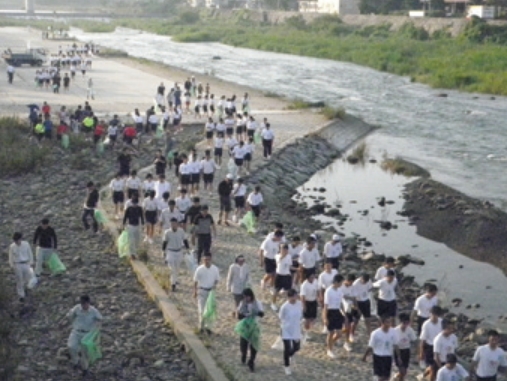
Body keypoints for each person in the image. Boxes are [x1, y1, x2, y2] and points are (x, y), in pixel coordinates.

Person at [66, 295, 102, 377]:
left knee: (84, 353)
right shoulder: (77, 308)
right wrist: (71, 321)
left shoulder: (93, 311)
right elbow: (69, 315)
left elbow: (100, 319)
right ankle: (75, 362)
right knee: (71, 346)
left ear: (88, 303)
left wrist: (96, 330)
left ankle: (85, 369)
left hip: (87, 334)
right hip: (76, 331)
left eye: (85, 303)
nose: (84, 305)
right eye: (82, 303)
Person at [363, 315, 401, 381]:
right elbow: (370, 346)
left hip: (388, 356)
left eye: (390, 322)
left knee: (387, 377)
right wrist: (365, 356)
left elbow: (396, 345)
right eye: (387, 322)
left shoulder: (393, 332)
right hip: (378, 356)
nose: (389, 324)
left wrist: (399, 357)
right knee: (380, 376)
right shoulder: (375, 333)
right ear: (382, 323)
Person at [237, 288, 264, 372]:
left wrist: (256, 312)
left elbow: (262, 314)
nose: (246, 299)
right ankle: (244, 354)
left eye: (247, 297)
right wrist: (244, 315)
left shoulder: (257, 303)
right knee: (243, 343)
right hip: (245, 326)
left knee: (254, 344)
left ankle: (251, 360)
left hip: (254, 326)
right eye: (244, 297)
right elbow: (239, 315)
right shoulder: (242, 303)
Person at [193, 253, 220, 333]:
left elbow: (217, 279)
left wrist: (214, 285)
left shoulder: (215, 269)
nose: (206, 261)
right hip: (202, 290)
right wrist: (195, 291)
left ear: (211, 259)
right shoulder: (199, 269)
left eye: (208, 259)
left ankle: (208, 327)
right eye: (205, 260)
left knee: (210, 309)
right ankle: (201, 326)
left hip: (211, 291)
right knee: (201, 309)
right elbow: (195, 281)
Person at [279, 289, 303, 375]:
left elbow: (300, 314)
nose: (295, 298)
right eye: (293, 296)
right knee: (287, 348)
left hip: (296, 328)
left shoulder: (299, 304)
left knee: (297, 347)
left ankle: (290, 355)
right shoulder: (284, 307)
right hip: (286, 329)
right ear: (289, 297)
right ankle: (287, 365)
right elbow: (281, 317)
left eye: (296, 296)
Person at [323, 274, 346, 358]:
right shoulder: (328, 291)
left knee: (339, 333)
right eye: (341, 282)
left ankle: (330, 344)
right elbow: (325, 305)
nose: (341, 284)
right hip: (330, 311)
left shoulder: (340, 291)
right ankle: (330, 349)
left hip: (337, 311)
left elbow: (340, 303)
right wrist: (325, 318)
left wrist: (344, 313)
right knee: (331, 332)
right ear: (336, 282)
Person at [163, 218, 188, 292]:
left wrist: (188, 248)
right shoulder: (167, 232)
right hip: (170, 251)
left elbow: (185, 240)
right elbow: (164, 242)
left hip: (179, 251)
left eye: (174, 223)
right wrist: (163, 251)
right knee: (172, 269)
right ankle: (173, 284)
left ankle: (175, 280)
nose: (173, 225)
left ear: (177, 224)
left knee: (177, 268)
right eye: (172, 224)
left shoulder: (181, 231)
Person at [419, 306, 444, 380]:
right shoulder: (426, 324)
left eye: (436, 315)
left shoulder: (442, 322)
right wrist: (421, 352)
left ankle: (423, 375)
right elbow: (423, 339)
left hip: (439, 348)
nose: (434, 316)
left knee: (434, 368)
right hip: (430, 347)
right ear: (430, 314)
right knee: (433, 368)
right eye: (433, 314)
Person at [8, 232, 34, 302]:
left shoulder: (26, 244)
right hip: (17, 264)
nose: (17, 242)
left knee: (27, 278)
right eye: (15, 241)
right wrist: (12, 265)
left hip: (26, 263)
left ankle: (26, 289)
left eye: (17, 240)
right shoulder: (12, 246)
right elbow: (11, 257)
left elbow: (30, 253)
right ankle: (21, 295)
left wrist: (31, 262)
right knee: (19, 279)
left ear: (21, 239)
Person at [394, 313, 417, 381]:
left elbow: (415, 340)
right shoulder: (395, 331)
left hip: (406, 351)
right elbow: (395, 345)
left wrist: (417, 352)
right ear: (401, 322)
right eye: (404, 323)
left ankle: (396, 377)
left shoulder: (410, 330)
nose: (405, 325)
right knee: (402, 370)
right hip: (398, 350)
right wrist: (398, 357)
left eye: (407, 323)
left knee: (404, 371)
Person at [271, 243, 293, 312]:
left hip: (286, 275)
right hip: (279, 275)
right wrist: (283, 255)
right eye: (282, 249)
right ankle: (273, 304)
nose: (284, 251)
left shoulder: (289, 256)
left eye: (285, 249)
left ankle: (288, 305)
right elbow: (279, 260)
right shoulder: (277, 256)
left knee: (288, 291)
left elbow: (289, 266)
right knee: (276, 290)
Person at [300, 272, 319, 340]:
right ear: (308, 278)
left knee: (313, 318)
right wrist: (304, 306)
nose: (313, 278)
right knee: (307, 319)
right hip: (307, 302)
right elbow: (302, 296)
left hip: (313, 301)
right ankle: (306, 332)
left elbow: (317, 290)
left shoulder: (315, 281)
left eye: (313, 277)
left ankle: (306, 326)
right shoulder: (304, 285)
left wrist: (318, 298)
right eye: (311, 277)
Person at [341, 274, 357, 349]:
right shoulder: (341, 286)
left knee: (348, 326)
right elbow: (342, 296)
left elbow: (354, 297)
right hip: (341, 308)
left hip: (349, 308)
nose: (350, 284)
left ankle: (346, 342)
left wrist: (355, 305)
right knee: (345, 326)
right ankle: (337, 335)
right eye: (350, 282)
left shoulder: (352, 287)